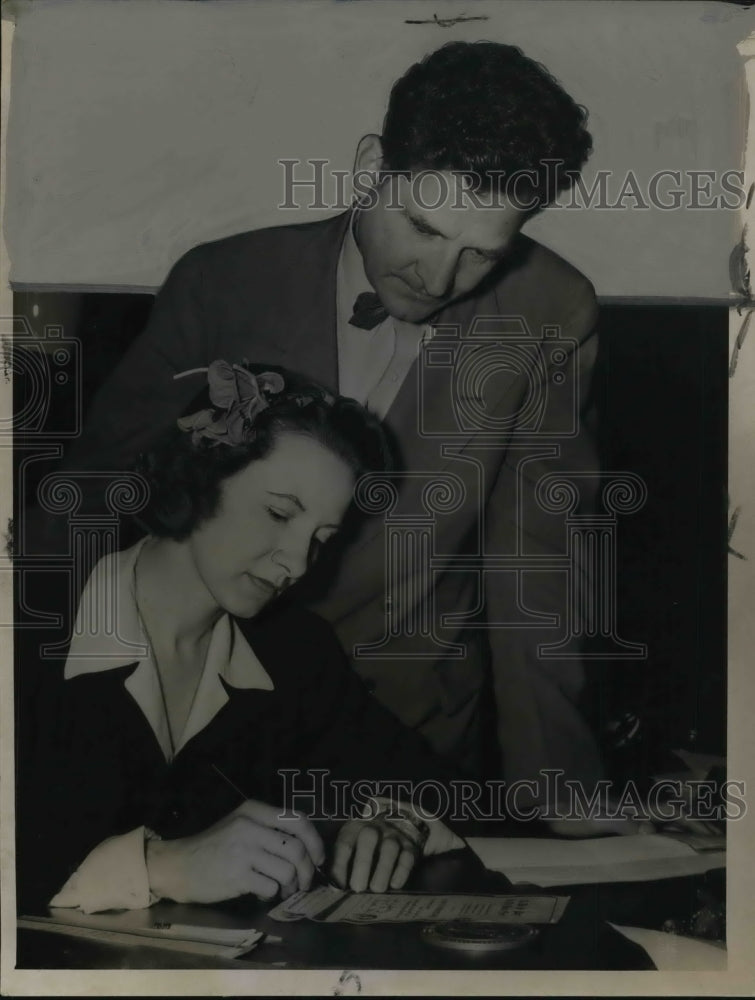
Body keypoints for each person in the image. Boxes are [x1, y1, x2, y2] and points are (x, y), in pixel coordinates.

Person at [29, 41, 602, 797]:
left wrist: (559, 787)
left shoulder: (551, 310)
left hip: (410, 735)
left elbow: (538, 566)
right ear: (370, 166)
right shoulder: (223, 282)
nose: (436, 279)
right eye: (423, 228)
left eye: (479, 255)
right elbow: (92, 499)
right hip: (207, 719)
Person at [16, 362, 465, 916]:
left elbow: (422, 779)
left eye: (322, 539)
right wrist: (163, 866)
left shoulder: (295, 652)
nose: (298, 563)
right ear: (201, 476)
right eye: (279, 513)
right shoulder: (27, 627)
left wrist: (394, 822)